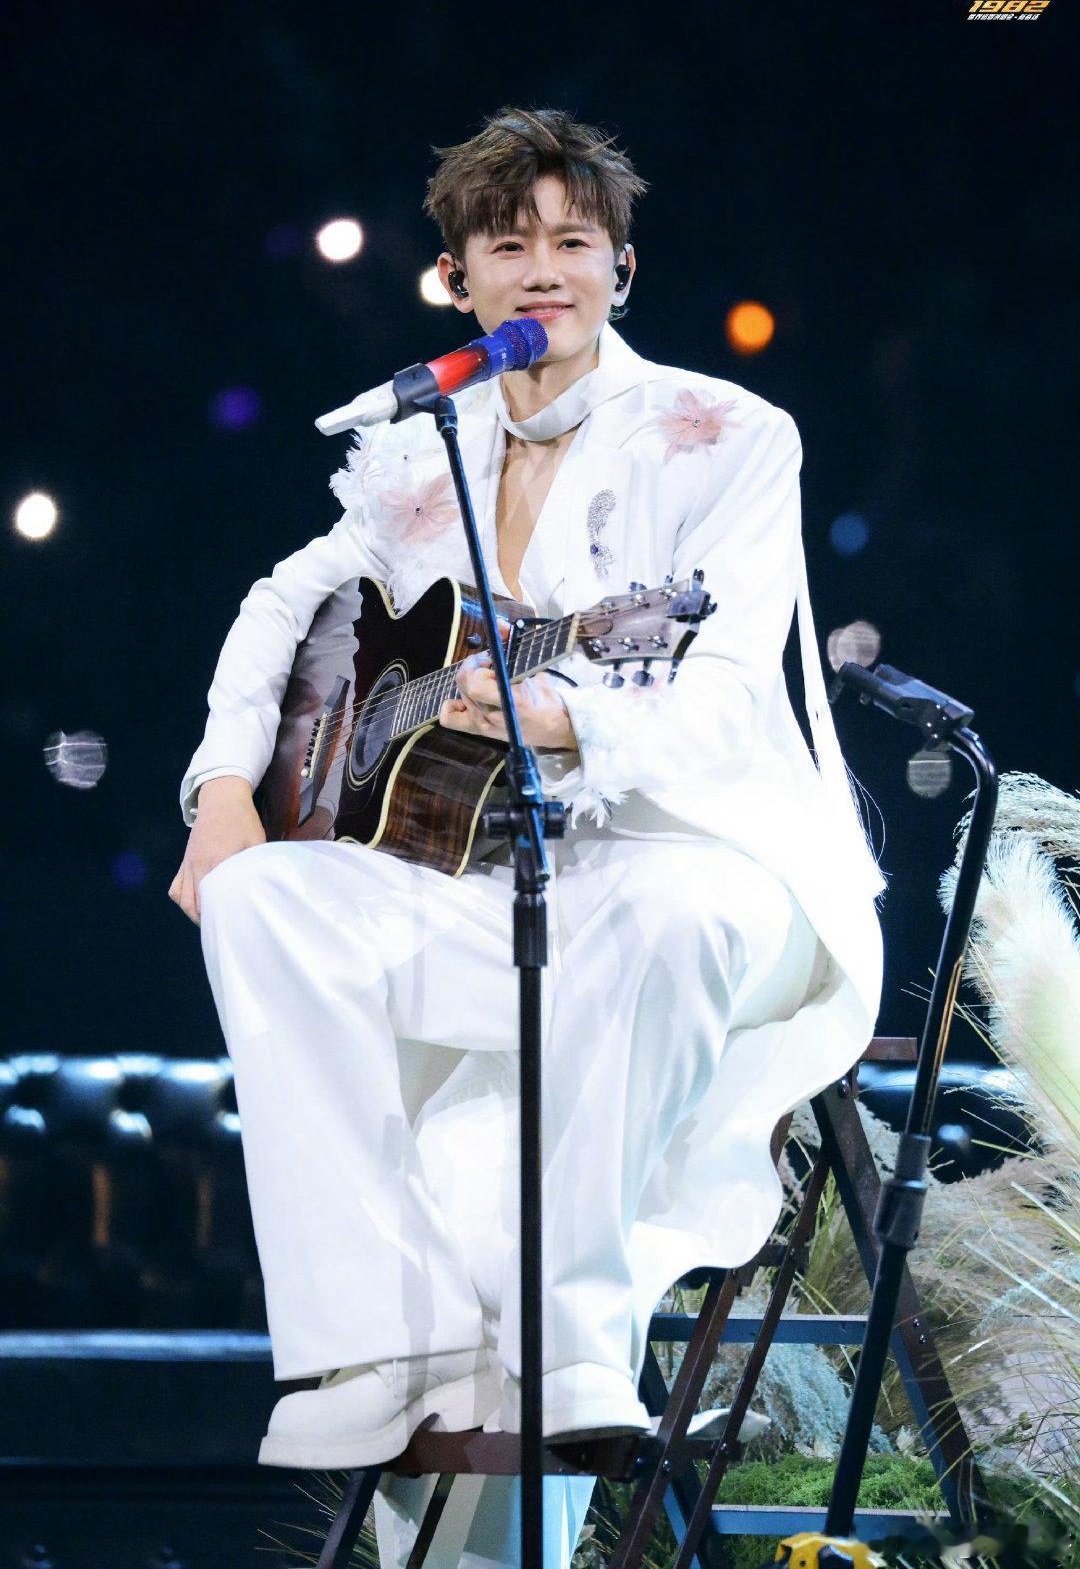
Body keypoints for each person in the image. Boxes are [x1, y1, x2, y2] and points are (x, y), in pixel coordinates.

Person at [169, 105, 886, 1568]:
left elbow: (728, 693)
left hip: (707, 862)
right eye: (509, 245)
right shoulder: (415, 451)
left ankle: (574, 1338)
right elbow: (279, 605)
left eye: (574, 241)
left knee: (664, 916)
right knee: (262, 904)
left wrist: (566, 720)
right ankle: (376, 1342)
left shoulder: (728, 437)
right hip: (482, 874)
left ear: (622, 266)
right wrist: (224, 787)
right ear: (461, 280)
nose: (543, 269)